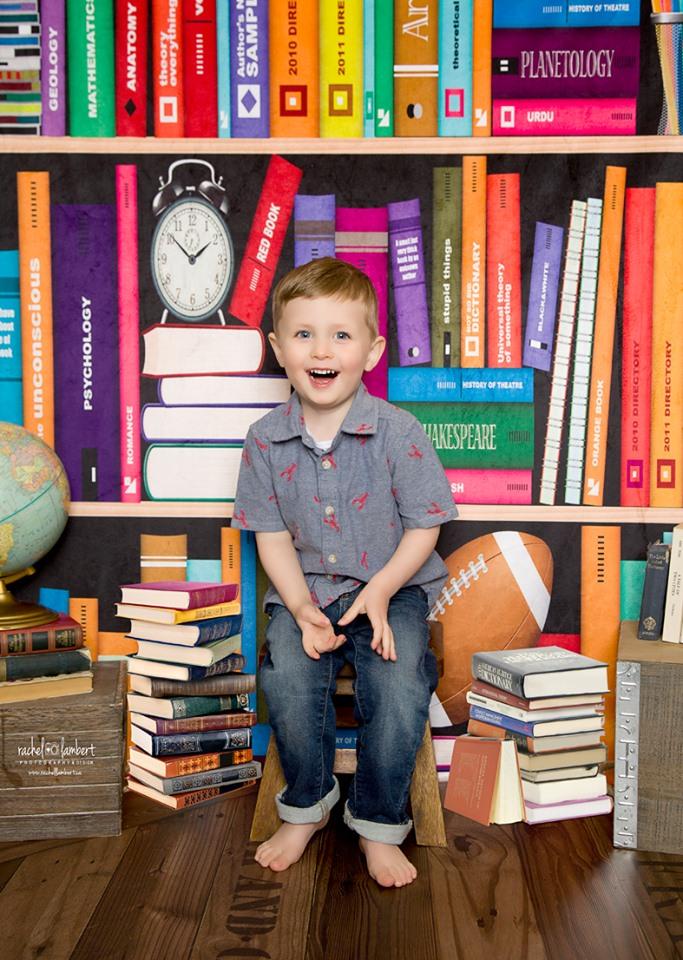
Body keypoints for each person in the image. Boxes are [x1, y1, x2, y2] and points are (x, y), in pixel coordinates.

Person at [232, 257, 457, 888]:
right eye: (303, 334)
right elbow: (270, 537)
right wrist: (300, 608)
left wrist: (383, 592)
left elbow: (425, 526)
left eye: (341, 335)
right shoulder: (263, 440)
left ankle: (379, 821)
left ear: (372, 349)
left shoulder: (398, 432)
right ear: (278, 348)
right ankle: (306, 804)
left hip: (393, 590)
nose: (322, 349)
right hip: (310, 592)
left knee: (399, 676)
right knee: (289, 673)